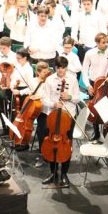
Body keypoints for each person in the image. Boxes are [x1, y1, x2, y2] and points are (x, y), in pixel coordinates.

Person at [38, 57, 80, 186]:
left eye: (63, 67)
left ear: (66, 67)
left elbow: (78, 99)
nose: (61, 70)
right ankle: (53, 173)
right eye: (58, 67)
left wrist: (69, 97)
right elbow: (44, 99)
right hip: (53, 116)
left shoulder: (72, 80)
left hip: (68, 117)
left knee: (66, 145)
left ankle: (64, 175)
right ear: (55, 67)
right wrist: (53, 104)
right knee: (52, 145)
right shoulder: (49, 80)